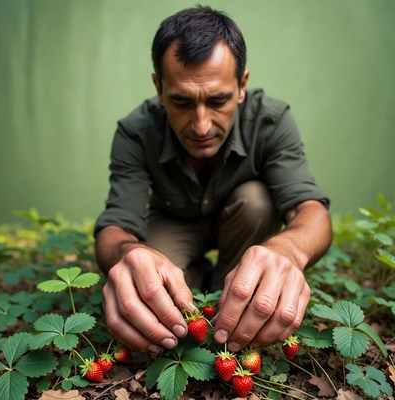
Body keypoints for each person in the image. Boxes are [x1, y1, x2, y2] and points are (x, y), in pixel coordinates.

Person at [94, 5, 332, 355]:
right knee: (159, 299)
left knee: (257, 199)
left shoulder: (271, 121)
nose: (202, 125)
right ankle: (201, 283)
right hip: (171, 224)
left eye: (218, 100)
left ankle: (232, 298)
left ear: (242, 86)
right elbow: (115, 228)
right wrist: (130, 253)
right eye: (181, 102)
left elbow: (311, 211)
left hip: (244, 221)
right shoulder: (135, 132)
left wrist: (288, 250)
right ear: (159, 89)